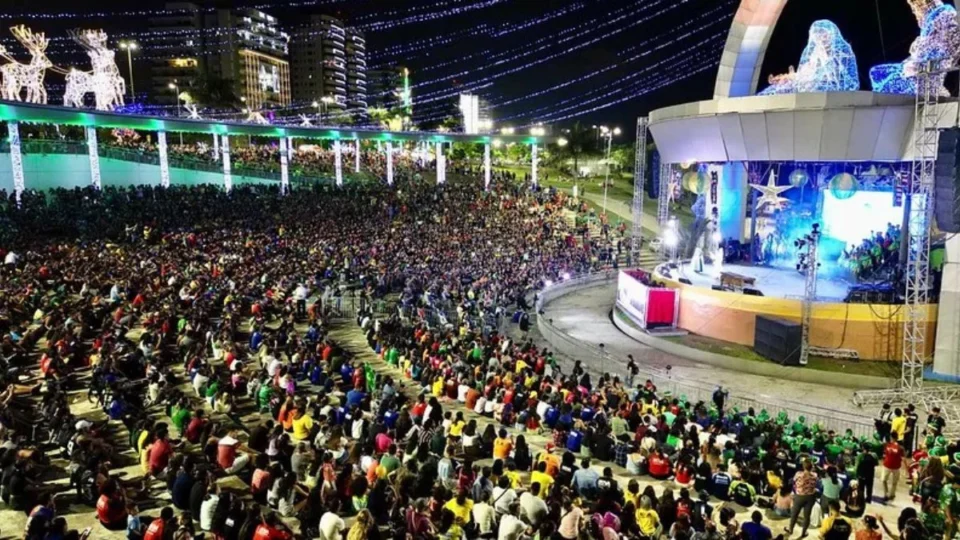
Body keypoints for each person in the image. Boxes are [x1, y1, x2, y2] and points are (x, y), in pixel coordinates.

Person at [787, 459, 819, 538]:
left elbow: (794, 481)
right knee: (807, 516)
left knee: (794, 514)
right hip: (810, 497)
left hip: (799, 496)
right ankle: (803, 532)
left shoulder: (798, 474)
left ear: (803, 467)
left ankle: (790, 529)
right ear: (811, 467)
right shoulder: (815, 475)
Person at [881, 434, 904, 502]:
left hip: (895, 467)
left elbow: (902, 457)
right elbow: (885, 454)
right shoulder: (888, 445)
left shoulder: (900, 447)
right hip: (888, 465)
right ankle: (886, 493)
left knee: (894, 482)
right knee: (884, 480)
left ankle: (891, 494)